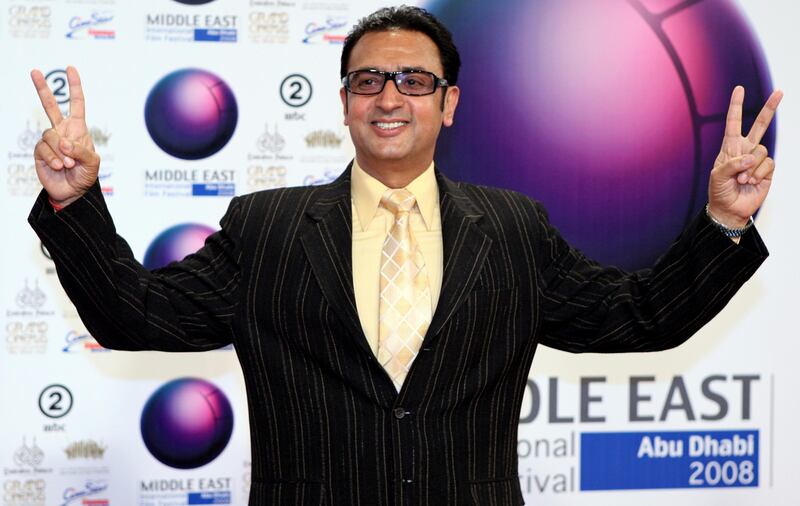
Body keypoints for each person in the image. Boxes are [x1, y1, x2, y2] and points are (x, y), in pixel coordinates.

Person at [28, 6, 781, 506]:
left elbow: (642, 317)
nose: (390, 97)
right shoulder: (268, 229)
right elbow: (135, 314)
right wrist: (75, 201)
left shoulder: (515, 229)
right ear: (345, 101)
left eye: (414, 81)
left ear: (448, 103)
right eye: (368, 81)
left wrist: (721, 222)